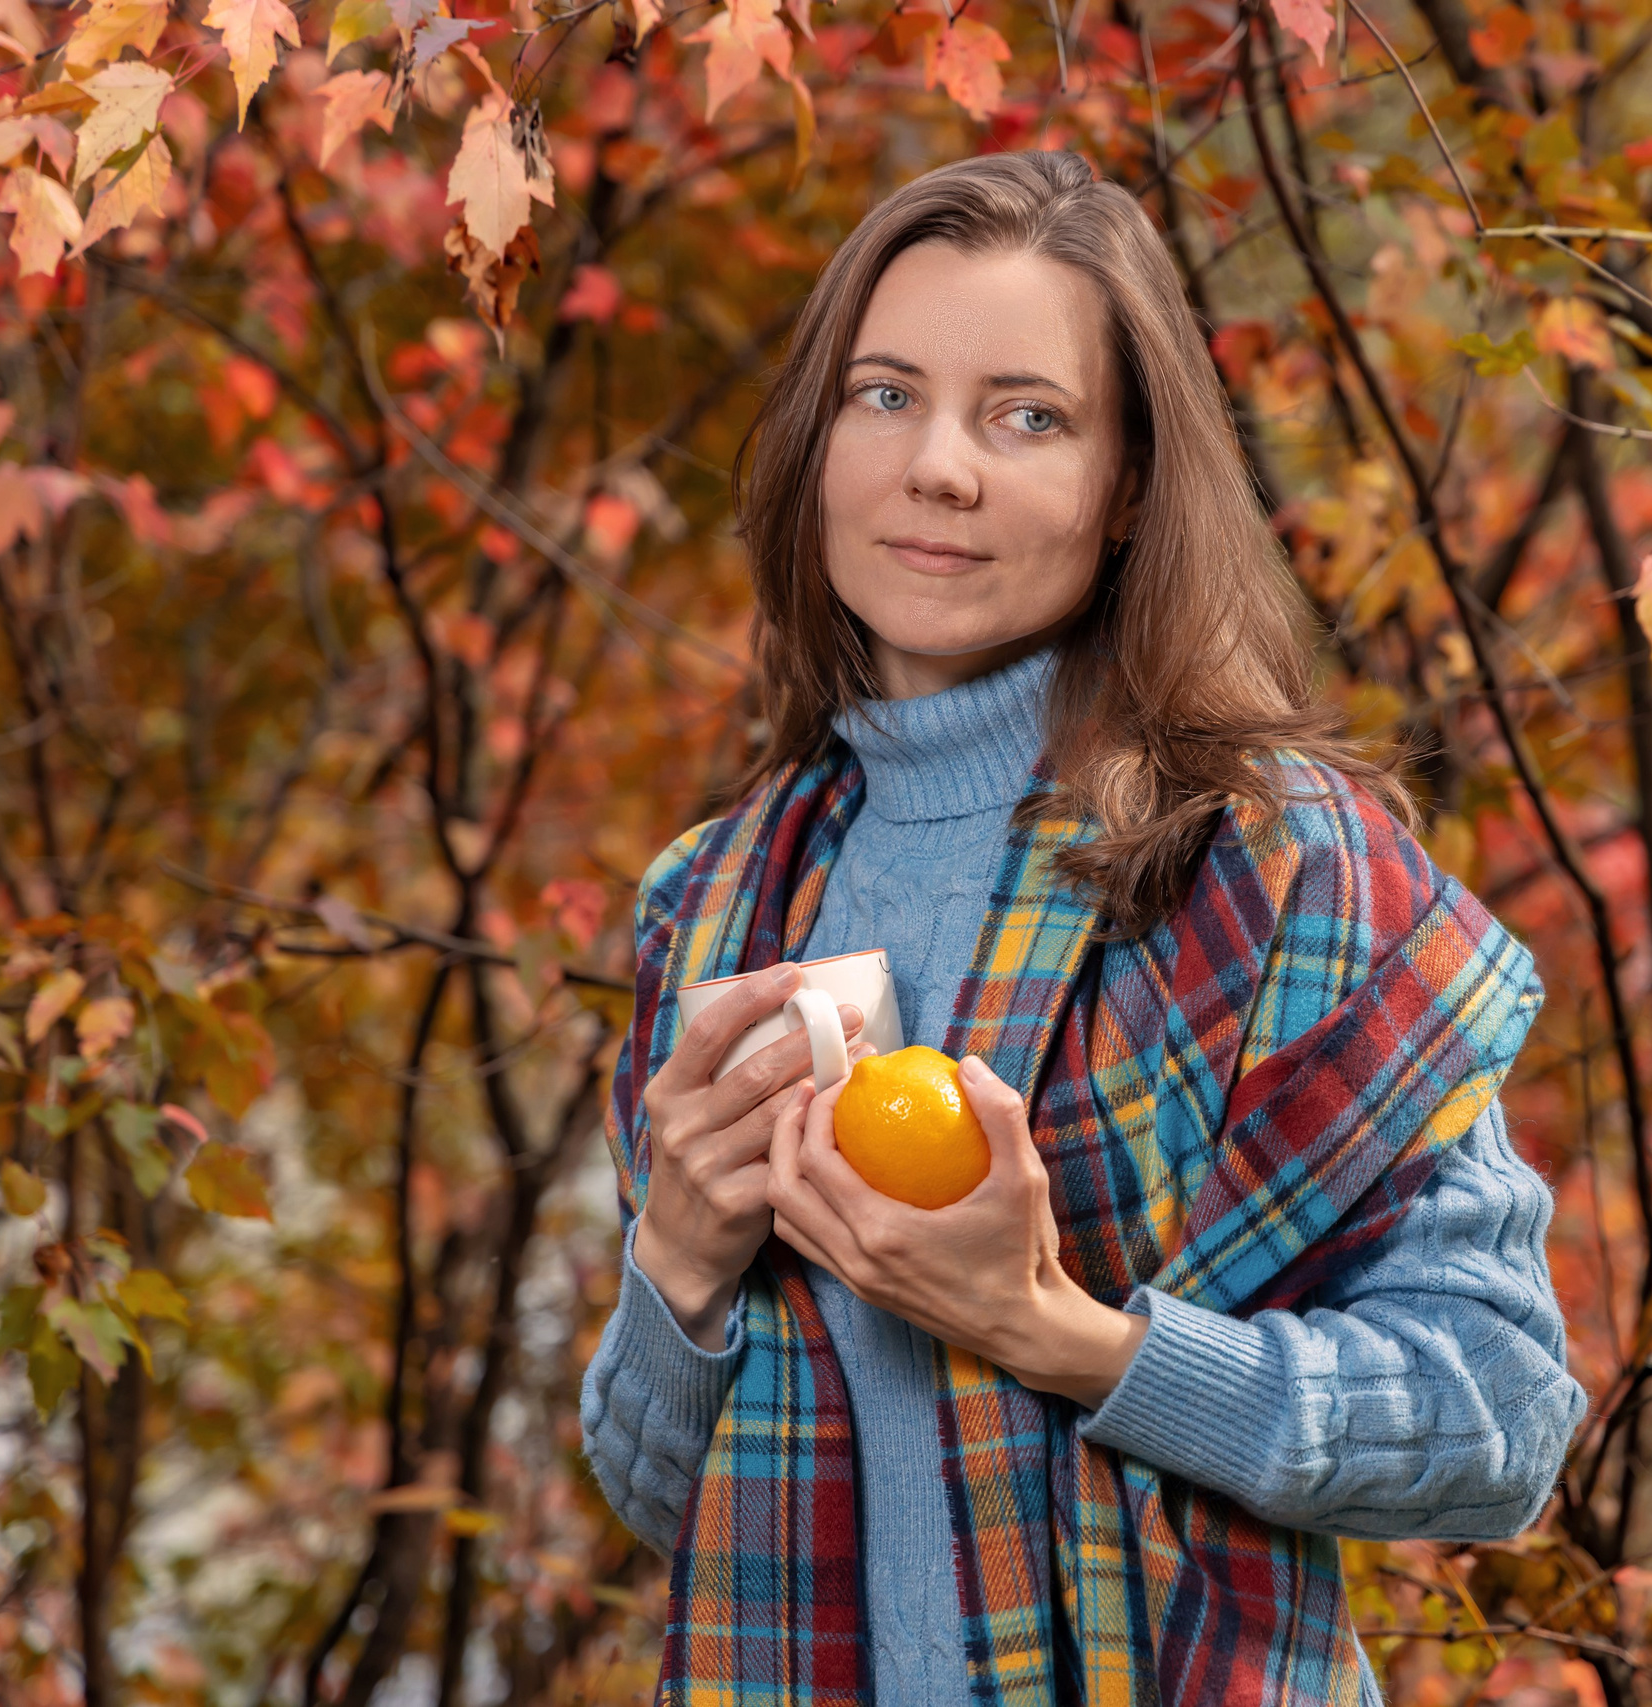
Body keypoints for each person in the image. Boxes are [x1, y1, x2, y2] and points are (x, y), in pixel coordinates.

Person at [581, 150, 1586, 1707]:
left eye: (1027, 417)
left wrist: (1067, 1338)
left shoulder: (1270, 864)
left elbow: (1495, 1429)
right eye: (886, 395)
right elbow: (677, 1510)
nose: (940, 470)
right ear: (817, 440)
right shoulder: (713, 907)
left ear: (1127, 489)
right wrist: (682, 1261)